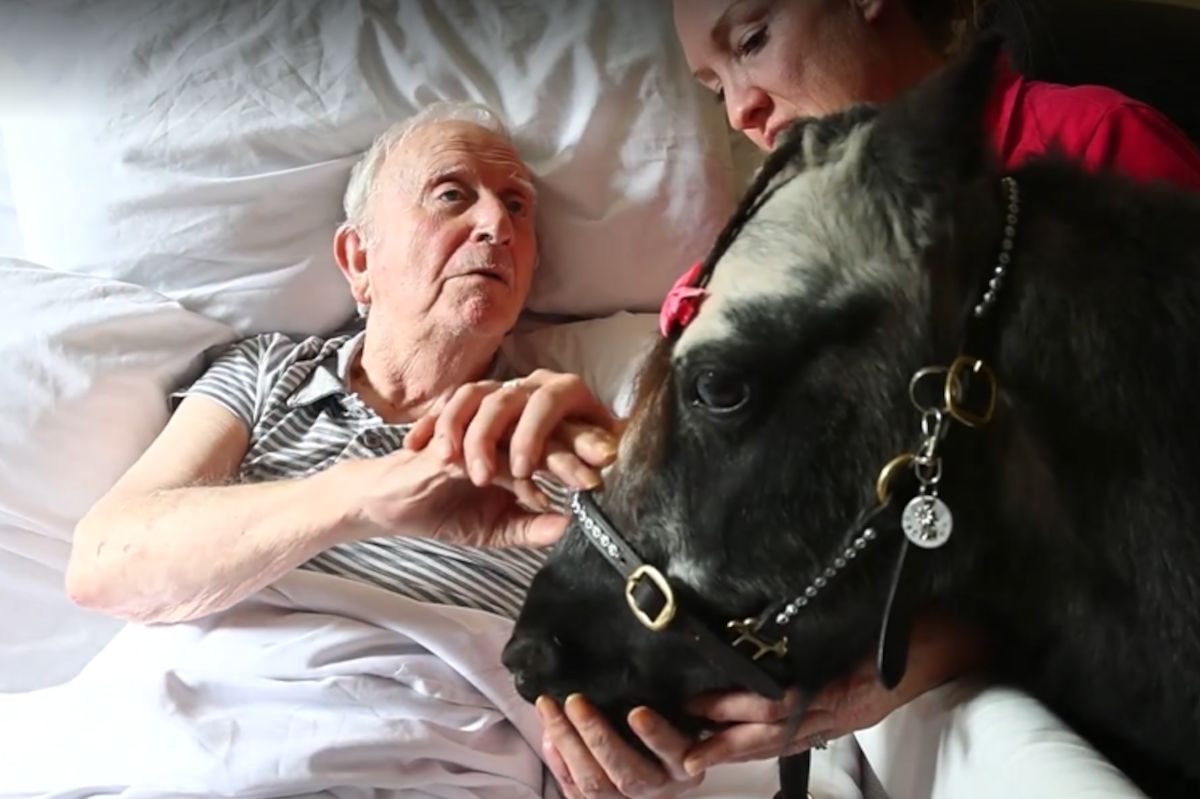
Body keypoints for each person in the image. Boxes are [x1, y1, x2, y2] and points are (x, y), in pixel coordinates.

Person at [531, 1, 1200, 797]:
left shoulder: (1091, 149)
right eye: (714, 89)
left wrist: (917, 661)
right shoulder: (741, 266)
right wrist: (603, 443)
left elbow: (1154, 522)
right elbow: (707, 476)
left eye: (752, 41)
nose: (741, 107)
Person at [67, 101, 620, 628]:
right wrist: (363, 497)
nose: (497, 225)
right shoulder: (268, 372)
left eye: (517, 207)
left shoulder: (550, 435)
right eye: (451, 195)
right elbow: (103, 565)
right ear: (359, 258)